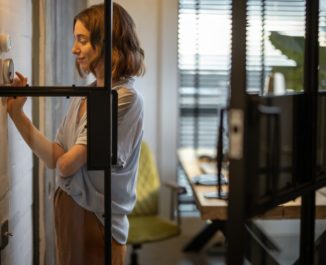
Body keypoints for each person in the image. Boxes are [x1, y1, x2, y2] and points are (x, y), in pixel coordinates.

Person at [7, 2, 144, 265]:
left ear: (107, 43)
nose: (74, 49)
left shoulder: (124, 97)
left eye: (82, 40)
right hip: (72, 212)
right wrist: (17, 114)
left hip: (96, 220)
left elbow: (67, 164)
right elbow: (55, 158)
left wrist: (64, 161)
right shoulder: (87, 93)